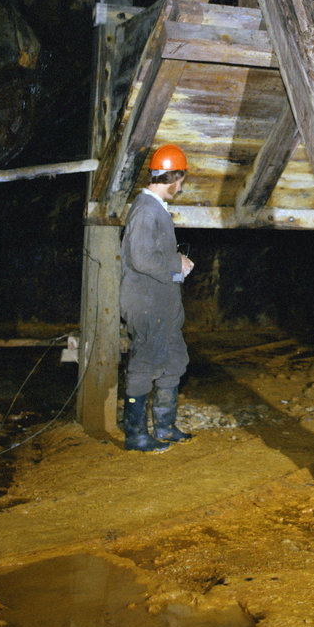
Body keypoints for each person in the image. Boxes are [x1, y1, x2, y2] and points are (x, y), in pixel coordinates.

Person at [119, 143, 195, 452]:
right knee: (145, 365)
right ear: (175, 178)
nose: (181, 186)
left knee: (174, 361)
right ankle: (135, 434)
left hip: (163, 306)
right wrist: (177, 264)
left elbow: (153, 256)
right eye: (181, 180)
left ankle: (164, 426)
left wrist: (177, 264)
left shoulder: (155, 210)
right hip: (147, 306)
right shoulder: (146, 210)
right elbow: (141, 258)